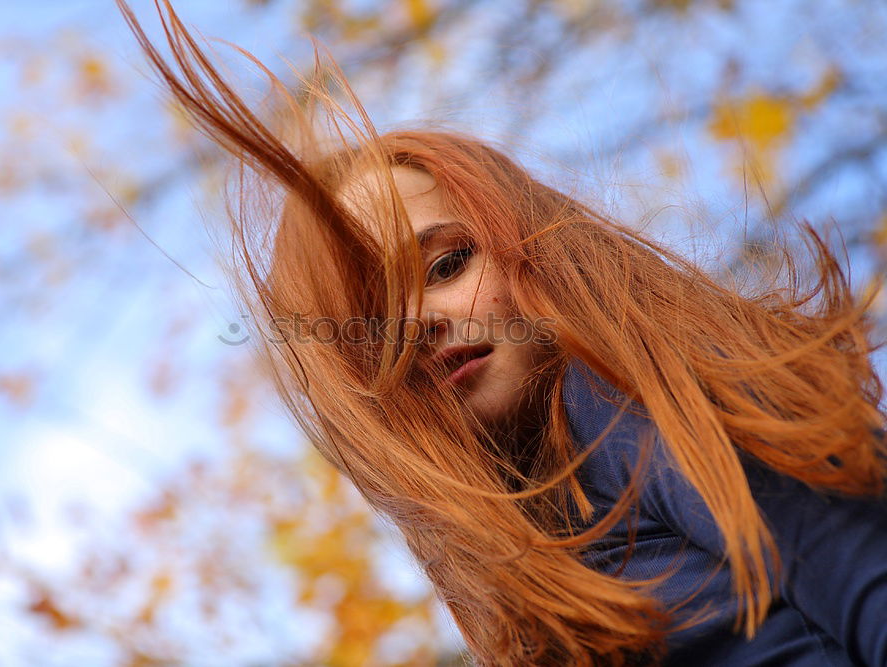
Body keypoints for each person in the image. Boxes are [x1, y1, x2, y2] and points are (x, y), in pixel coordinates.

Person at [119, 2, 887, 664]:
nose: (417, 322)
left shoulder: (618, 395)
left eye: (448, 262)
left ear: (533, 245)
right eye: (371, 322)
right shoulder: (538, 537)